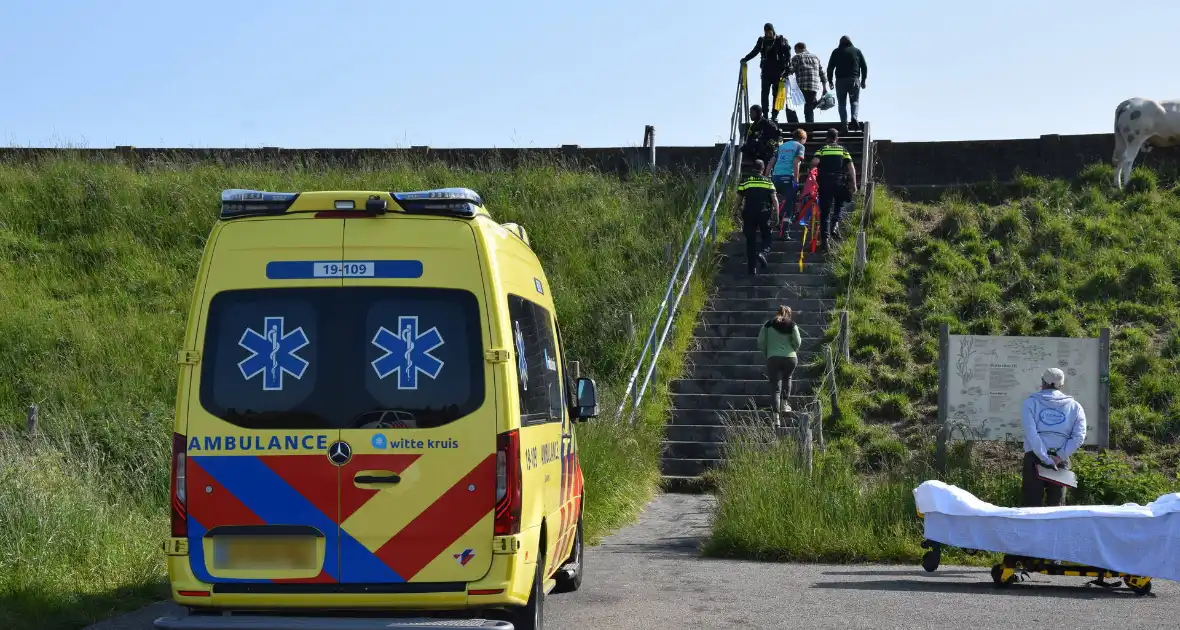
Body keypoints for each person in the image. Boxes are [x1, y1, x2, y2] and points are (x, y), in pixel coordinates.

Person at [1020, 368, 1087, 507]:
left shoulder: (1030, 403)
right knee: (1056, 507)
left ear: (1043, 382)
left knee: (1031, 505)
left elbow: (1031, 433)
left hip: (1034, 457)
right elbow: (1079, 436)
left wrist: (1045, 457)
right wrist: (1059, 456)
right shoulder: (1075, 406)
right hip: (1060, 460)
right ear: (1061, 385)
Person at [809, 128, 857, 251]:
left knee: (825, 213)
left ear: (827, 138)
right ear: (837, 138)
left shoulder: (822, 149)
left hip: (824, 182)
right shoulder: (842, 150)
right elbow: (851, 167)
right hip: (839, 181)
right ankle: (835, 225)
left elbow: (814, 162)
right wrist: (854, 184)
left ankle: (825, 241)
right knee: (839, 205)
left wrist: (814, 172)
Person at [757, 305, 802, 426]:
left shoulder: (767, 325)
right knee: (787, 378)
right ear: (789, 314)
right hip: (790, 357)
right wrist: (792, 349)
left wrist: (768, 352)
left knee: (775, 387)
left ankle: (776, 418)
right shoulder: (792, 324)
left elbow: (760, 342)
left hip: (773, 358)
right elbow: (798, 341)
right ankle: (784, 405)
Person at [740, 23, 793, 122]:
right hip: (766, 71)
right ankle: (765, 114)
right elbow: (755, 51)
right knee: (764, 94)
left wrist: (787, 68)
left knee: (776, 94)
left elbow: (788, 55)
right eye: (766, 32)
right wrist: (746, 58)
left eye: (769, 31)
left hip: (778, 72)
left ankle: (774, 115)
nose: (768, 34)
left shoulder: (780, 40)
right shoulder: (762, 41)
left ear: (773, 31)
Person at [735, 161, 777, 275]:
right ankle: (762, 253)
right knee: (767, 237)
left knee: (750, 241)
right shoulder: (768, 181)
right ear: (763, 169)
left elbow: (738, 199)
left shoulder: (746, 181)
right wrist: (777, 215)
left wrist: (734, 212)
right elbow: (775, 200)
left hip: (748, 213)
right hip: (764, 213)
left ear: (752, 169)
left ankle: (752, 269)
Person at [769, 128, 807, 240]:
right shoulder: (800, 147)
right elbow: (796, 163)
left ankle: (773, 223)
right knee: (789, 206)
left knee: (774, 201)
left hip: (775, 177)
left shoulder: (781, 146)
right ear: (802, 138)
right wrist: (796, 180)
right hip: (788, 177)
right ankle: (784, 232)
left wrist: (766, 176)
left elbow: (771, 162)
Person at [827, 36, 868, 133]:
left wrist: (830, 81)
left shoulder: (836, 52)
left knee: (842, 103)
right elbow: (864, 66)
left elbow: (830, 68)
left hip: (840, 81)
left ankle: (844, 123)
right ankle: (854, 117)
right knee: (854, 101)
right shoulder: (857, 51)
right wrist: (863, 80)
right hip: (854, 80)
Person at [786, 42, 828, 123]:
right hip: (813, 87)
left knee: (790, 105)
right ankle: (810, 128)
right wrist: (824, 88)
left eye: (795, 50)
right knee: (809, 107)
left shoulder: (797, 57)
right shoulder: (815, 57)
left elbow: (790, 71)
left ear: (798, 48)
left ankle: (795, 125)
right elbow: (822, 73)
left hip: (802, 86)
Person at [742, 104, 780, 175]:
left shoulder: (767, 123)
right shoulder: (753, 126)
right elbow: (751, 140)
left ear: (758, 113)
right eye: (750, 112)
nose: (750, 114)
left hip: (765, 155)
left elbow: (777, 137)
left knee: (764, 175)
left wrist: (767, 146)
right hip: (755, 156)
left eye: (752, 112)